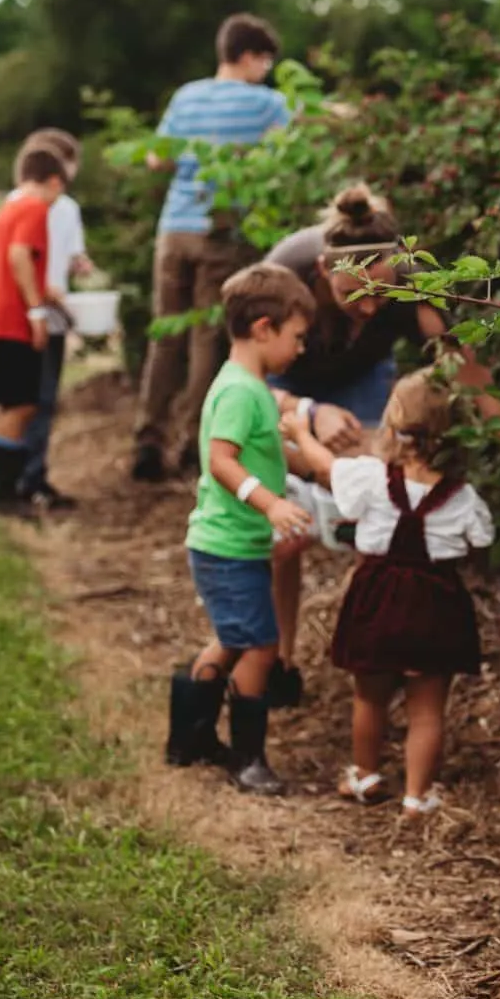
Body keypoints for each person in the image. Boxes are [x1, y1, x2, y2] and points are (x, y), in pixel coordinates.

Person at [259, 181, 500, 708]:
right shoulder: (287, 270)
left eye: (384, 293)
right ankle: (280, 660)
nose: (372, 309)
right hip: (285, 385)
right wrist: (308, 412)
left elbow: (476, 383)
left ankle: (374, 647)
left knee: (379, 505)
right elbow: (247, 379)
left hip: (361, 377)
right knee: (285, 532)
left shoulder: (417, 284)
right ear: (324, 273)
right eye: (356, 296)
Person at [286, 371, 494, 811]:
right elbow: (481, 540)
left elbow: (325, 469)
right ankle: (417, 797)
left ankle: (365, 776)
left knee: (369, 696)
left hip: (376, 600)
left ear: (393, 423)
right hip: (436, 605)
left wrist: (302, 433)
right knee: (427, 710)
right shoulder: (462, 497)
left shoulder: (371, 478)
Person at [167, 263, 317, 793]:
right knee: (259, 644)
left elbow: (265, 451)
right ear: (263, 329)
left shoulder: (252, 389)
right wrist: (271, 504)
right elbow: (222, 460)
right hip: (227, 546)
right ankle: (247, 760)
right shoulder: (240, 392)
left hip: (231, 545)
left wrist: (317, 466)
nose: (301, 349)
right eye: (296, 337)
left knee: (234, 641)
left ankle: (190, 739)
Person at [132, 13, 291, 484]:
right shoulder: (266, 104)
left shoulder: (186, 95)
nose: (266, 71)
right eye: (264, 61)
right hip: (219, 231)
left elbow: (157, 157)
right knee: (207, 336)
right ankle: (193, 445)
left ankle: (147, 440)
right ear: (246, 56)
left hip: (173, 228)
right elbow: (292, 145)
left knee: (166, 334)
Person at [0, 141, 69, 513]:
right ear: (54, 183)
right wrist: (36, 312)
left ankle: (7, 490)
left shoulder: (8, 208)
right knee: (19, 406)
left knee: (19, 404)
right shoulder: (35, 207)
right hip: (11, 321)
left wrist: (42, 292)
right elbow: (19, 255)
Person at [12, 127, 96, 510]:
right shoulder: (28, 206)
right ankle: (23, 478)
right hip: (37, 313)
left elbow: (71, 254)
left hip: (50, 313)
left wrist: (80, 264)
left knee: (41, 400)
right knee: (33, 399)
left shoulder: (65, 208)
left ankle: (32, 475)